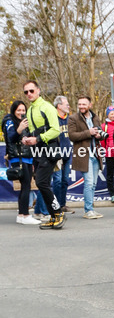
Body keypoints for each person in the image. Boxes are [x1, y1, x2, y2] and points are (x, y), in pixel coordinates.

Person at [21, 80, 65, 229]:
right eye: (26, 92)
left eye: (31, 91)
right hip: (38, 152)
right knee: (42, 183)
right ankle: (54, 215)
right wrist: (27, 139)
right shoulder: (30, 110)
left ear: (38, 90)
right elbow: (32, 132)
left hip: (49, 150)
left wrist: (38, 139)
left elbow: (55, 130)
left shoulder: (47, 107)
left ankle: (57, 213)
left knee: (41, 182)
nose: (29, 94)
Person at [3, 100, 40, 224]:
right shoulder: (9, 121)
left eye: (23, 110)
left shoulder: (25, 122)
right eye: (18, 110)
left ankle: (22, 214)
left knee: (27, 186)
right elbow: (11, 138)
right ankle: (24, 215)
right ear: (14, 110)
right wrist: (19, 129)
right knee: (25, 186)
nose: (21, 112)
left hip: (28, 157)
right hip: (18, 158)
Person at [68, 95, 105, 219]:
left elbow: (99, 132)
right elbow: (72, 136)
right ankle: (88, 210)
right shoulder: (73, 118)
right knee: (89, 183)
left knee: (93, 184)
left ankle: (91, 209)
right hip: (83, 154)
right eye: (79, 104)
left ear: (90, 105)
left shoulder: (95, 117)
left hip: (95, 154)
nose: (81, 106)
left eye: (84, 104)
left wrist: (99, 136)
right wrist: (89, 133)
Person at [52, 96, 72, 211]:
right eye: (66, 104)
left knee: (65, 181)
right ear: (59, 106)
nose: (68, 106)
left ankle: (62, 204)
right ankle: (55, 205)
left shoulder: (69, 119)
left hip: (67, 153)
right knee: (57, 180)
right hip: (57, 154)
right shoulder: (53, 118)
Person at [103, 106, 114, 203]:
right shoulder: (104, 125)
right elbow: (102, 140)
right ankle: (112, 194)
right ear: (108, 115)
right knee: (110, 174)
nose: (113, 115)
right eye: (111, 114)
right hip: (109, 153)